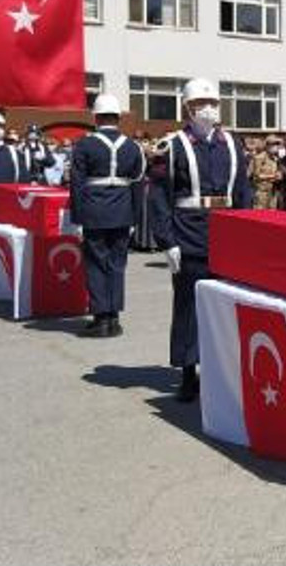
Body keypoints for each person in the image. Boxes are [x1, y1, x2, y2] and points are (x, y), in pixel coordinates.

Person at [149, 78, 253, 402]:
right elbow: (159, 197)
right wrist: (167, 241)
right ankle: (187, 372)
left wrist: (247, 233)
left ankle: (219, 371)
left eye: (212, 103)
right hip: (189, 234)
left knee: (223, 308)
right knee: (188, 307)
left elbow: (243, 192)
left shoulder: (231, 143)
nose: (208, 109)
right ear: (188, 108)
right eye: (200, 104)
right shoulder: (171, 145)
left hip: (226, 234)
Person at [70, 94, 147, 338]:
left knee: (96, 263)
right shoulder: (133, 146)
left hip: (94, 211)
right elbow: (138, 184)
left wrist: (77, 218)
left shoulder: (84, 144)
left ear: (96, 117)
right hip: (123, 211)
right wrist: (135, 217)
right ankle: (114, 318)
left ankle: (101, 317)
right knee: (117, 264)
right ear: (118, 117)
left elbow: (76, 183)